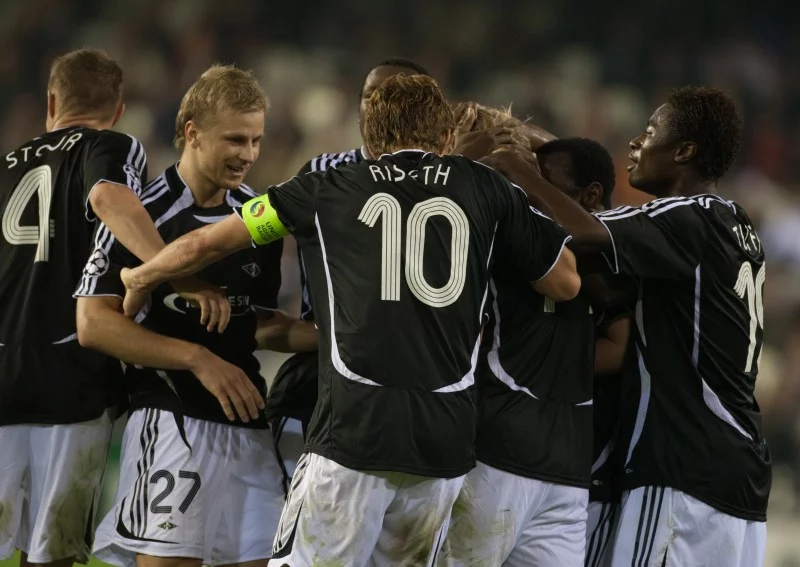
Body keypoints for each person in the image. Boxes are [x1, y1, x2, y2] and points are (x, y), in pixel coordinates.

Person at [116, 73, 581, 566]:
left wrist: (142, 276)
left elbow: (208, 243)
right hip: (442, 445)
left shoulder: (325, 188)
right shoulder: (488, 190)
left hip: (354, 434)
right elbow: (566, 282)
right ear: (445, 137)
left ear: (370, 140)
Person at [484, 86, 771, 567]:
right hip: (740, 479)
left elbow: (587, 229)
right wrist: (548, 146)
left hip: (682, 473)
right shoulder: (734, 223)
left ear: (683, 151)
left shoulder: (684, 216)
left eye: (651, 132)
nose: (635, 143)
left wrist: (515, 168)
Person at [0, 48, 225, 567]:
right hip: (68, 377)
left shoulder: (7, 165)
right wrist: (177, 274)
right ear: (119, 108)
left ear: (51, 102)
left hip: (4, 370)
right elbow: (109, 199)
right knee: (52, 552)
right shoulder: (110, 143)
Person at [79, 65, 288, 567]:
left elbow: (254, 321)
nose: (249, 154)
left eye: (257, 140)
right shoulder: (141, 215)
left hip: (248, 426)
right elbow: (94, 324)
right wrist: (197, 359)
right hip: (174, 422)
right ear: (192, 133)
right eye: (235, 139)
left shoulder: (258, 218)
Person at [440, 134, 618, 567]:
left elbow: (620, 348)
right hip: (499, 451)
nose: (526, 186)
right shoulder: (504, 233)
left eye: (543, 179)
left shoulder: (610, 256)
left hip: (567, 470)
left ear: (589, 195)